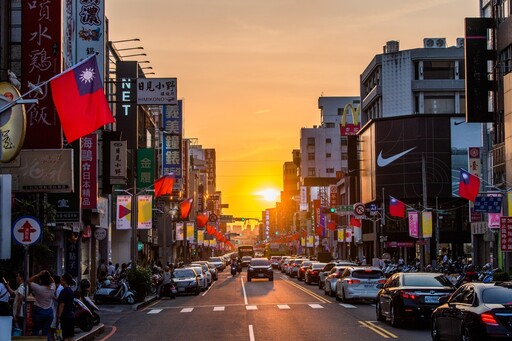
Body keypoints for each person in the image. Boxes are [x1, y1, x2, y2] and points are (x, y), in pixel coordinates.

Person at [28, 270, 55, 340]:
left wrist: (38, 274)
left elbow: (28, 281)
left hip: (38, 311)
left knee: (35, 331)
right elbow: (53, 281)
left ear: (40, 280)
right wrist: (48, 274)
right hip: (49, 312)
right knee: (46, 332)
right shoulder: (52, 288)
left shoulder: (38, 288)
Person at [56, 274, 75, 341]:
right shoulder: (71, 291)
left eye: (61, 279)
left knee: (65, 336)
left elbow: (62, 305)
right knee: (70, 335)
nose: (60, 280)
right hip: (71, 315)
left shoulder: (63, 291)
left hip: (65, 316)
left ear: (65, 281)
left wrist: (59, 316)